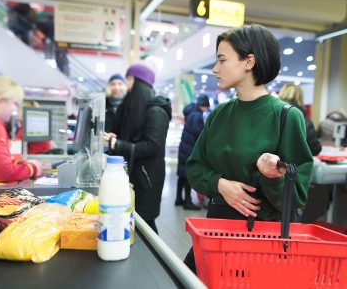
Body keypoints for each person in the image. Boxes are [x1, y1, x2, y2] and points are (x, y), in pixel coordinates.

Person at [183, 24, 314, 272]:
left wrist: (272, 176)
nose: (215, 68)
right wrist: (221, 184)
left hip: (260, 243)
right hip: (215, 233)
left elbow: (296, 195)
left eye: (222, 60)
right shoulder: (220, 114)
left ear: (249, 62)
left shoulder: (286, 116)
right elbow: (194, 167)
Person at [104, 63, 172, 234]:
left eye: (128, 79)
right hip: (136, 175)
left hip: (147, 179)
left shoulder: (156, 111)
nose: (125, 85)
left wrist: (117, 144)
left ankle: (153, 260)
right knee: (137, 221)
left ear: (137, 82)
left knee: (145, 223)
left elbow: (152, 146)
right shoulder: (136, 109)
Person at [0, 76, 43, 182]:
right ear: (0, 101)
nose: (15, 109)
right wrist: (33, 168)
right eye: (15, 104)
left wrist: (21, 164)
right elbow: (4, 173)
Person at [176, 94, 210, 210]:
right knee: (187, 176)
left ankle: (179, 199)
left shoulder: (191, 112)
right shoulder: (197, 115)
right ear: (204, 106)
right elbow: (198, 133)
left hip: (184, 147)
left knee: (181, 175)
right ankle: (187, 202)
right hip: (190, 149)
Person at [278, 83, 322, 156]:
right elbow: (315, 149)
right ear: (299, 97)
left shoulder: (270, 115)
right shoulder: (305, 121)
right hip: (294, 165)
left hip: (268, 165)